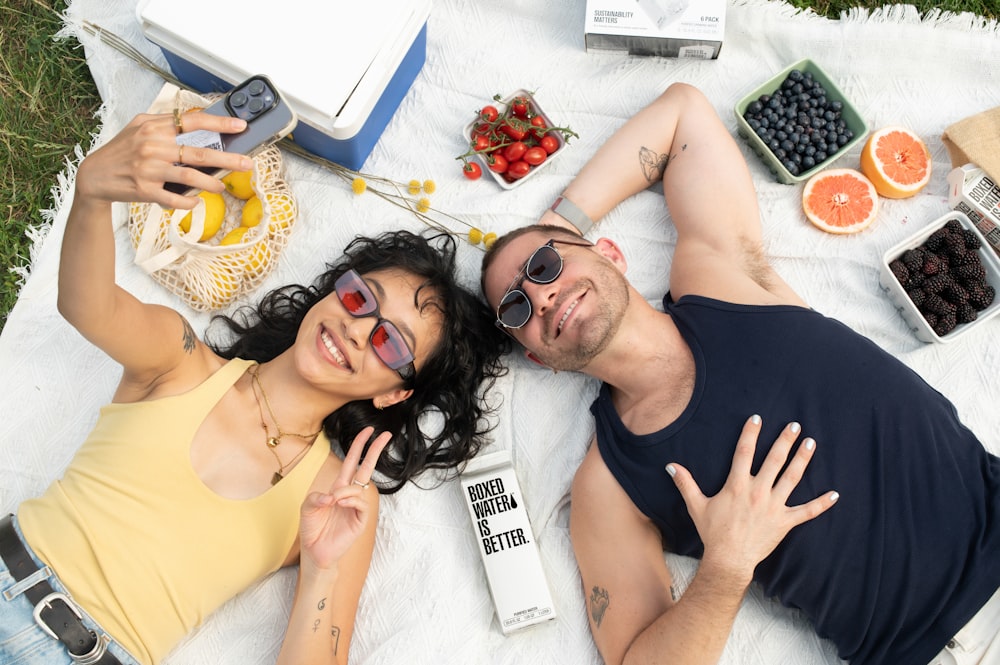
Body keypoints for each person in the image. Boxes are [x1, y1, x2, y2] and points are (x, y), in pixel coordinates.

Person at [480, 82, 1000, 665]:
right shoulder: (607, 486)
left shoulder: (715, 277)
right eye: (516, 307)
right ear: (537, 358)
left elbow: (683, 115)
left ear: (610, 253)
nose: (542, 294)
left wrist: (556, 220)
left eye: (545, 264)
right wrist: (727, 566)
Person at [0, 110, 508, 665]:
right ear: (331, 292)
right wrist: (93, 193)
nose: (358, 331)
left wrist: (320, 571)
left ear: (395, 393)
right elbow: (87, 306)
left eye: (391, 343)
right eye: (360, 299)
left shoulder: (342, 496)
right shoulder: (180, 358)